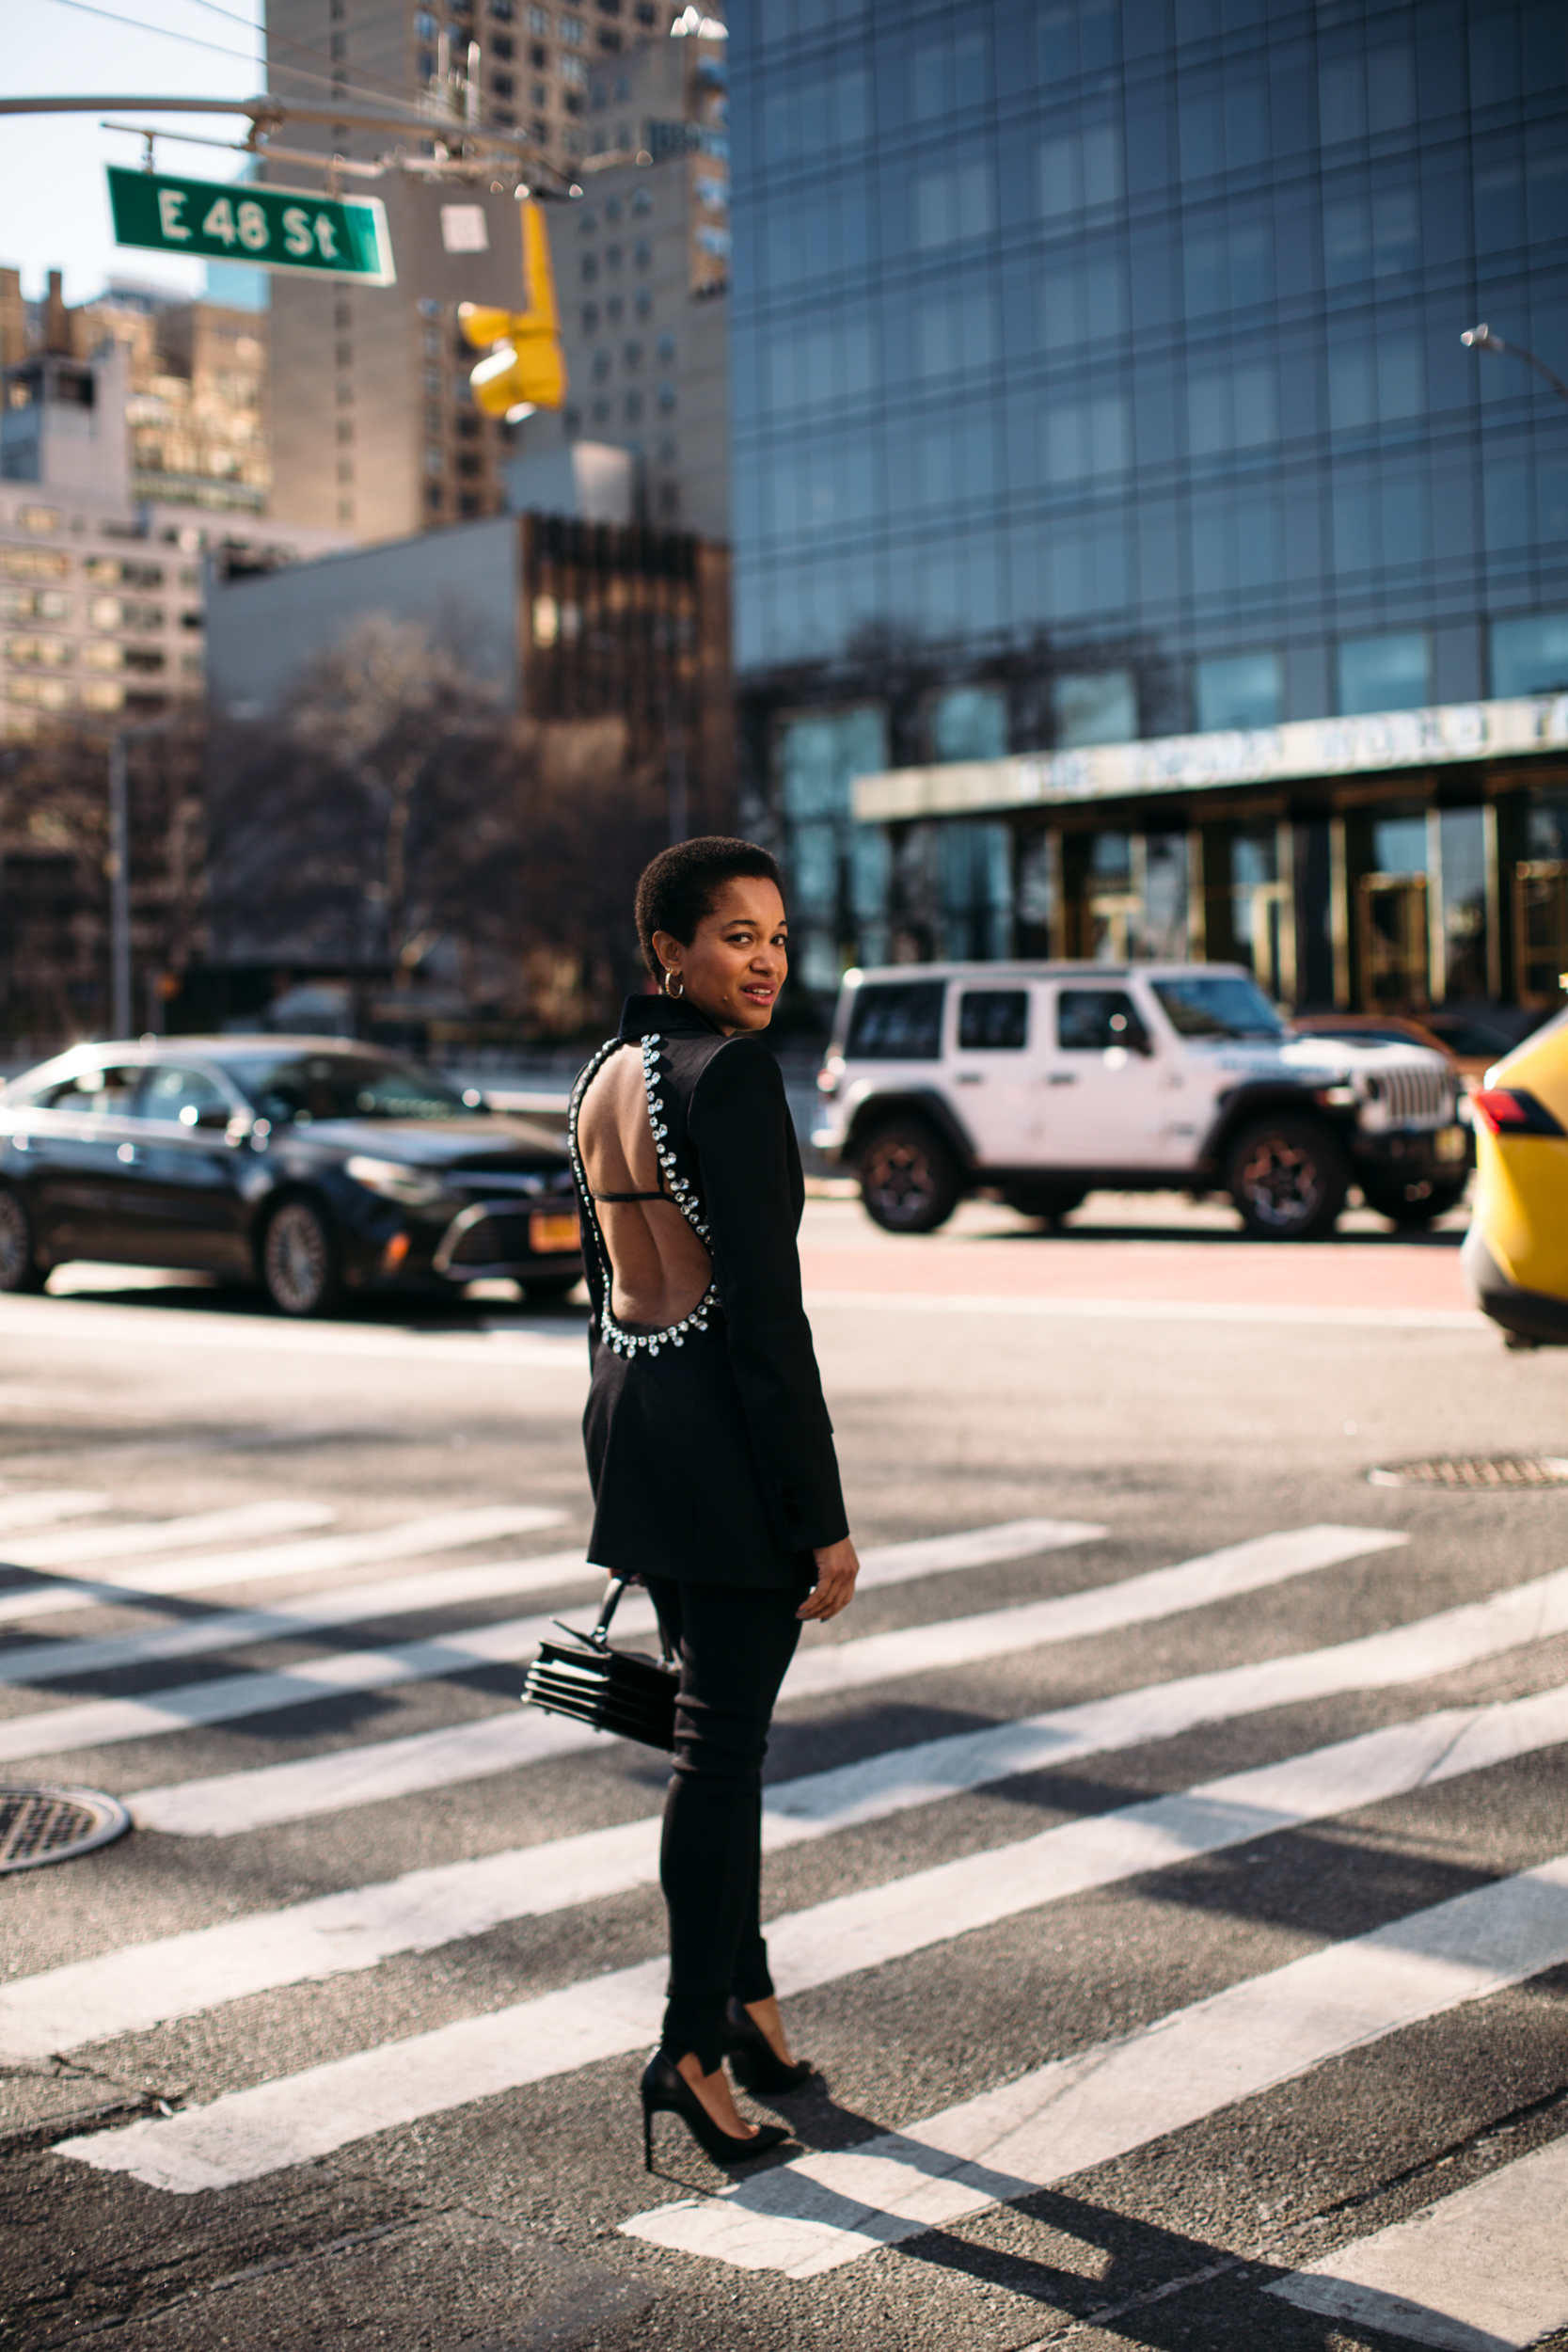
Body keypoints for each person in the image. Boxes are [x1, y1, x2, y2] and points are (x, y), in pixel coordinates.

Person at [568, 835, 859, 2169]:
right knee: (720, 1752)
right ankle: (688, 2046)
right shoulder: (734, 1076)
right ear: (668, 953)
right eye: (735, 936)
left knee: (714, 1735)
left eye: (779, 937)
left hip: (637, 1432)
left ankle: (744, 2004)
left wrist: (617, 1466)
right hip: (732, 1459)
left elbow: (603, 1292)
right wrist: (821, 1513)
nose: (765, 961)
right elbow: (766, 1319)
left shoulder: (603, 1075)